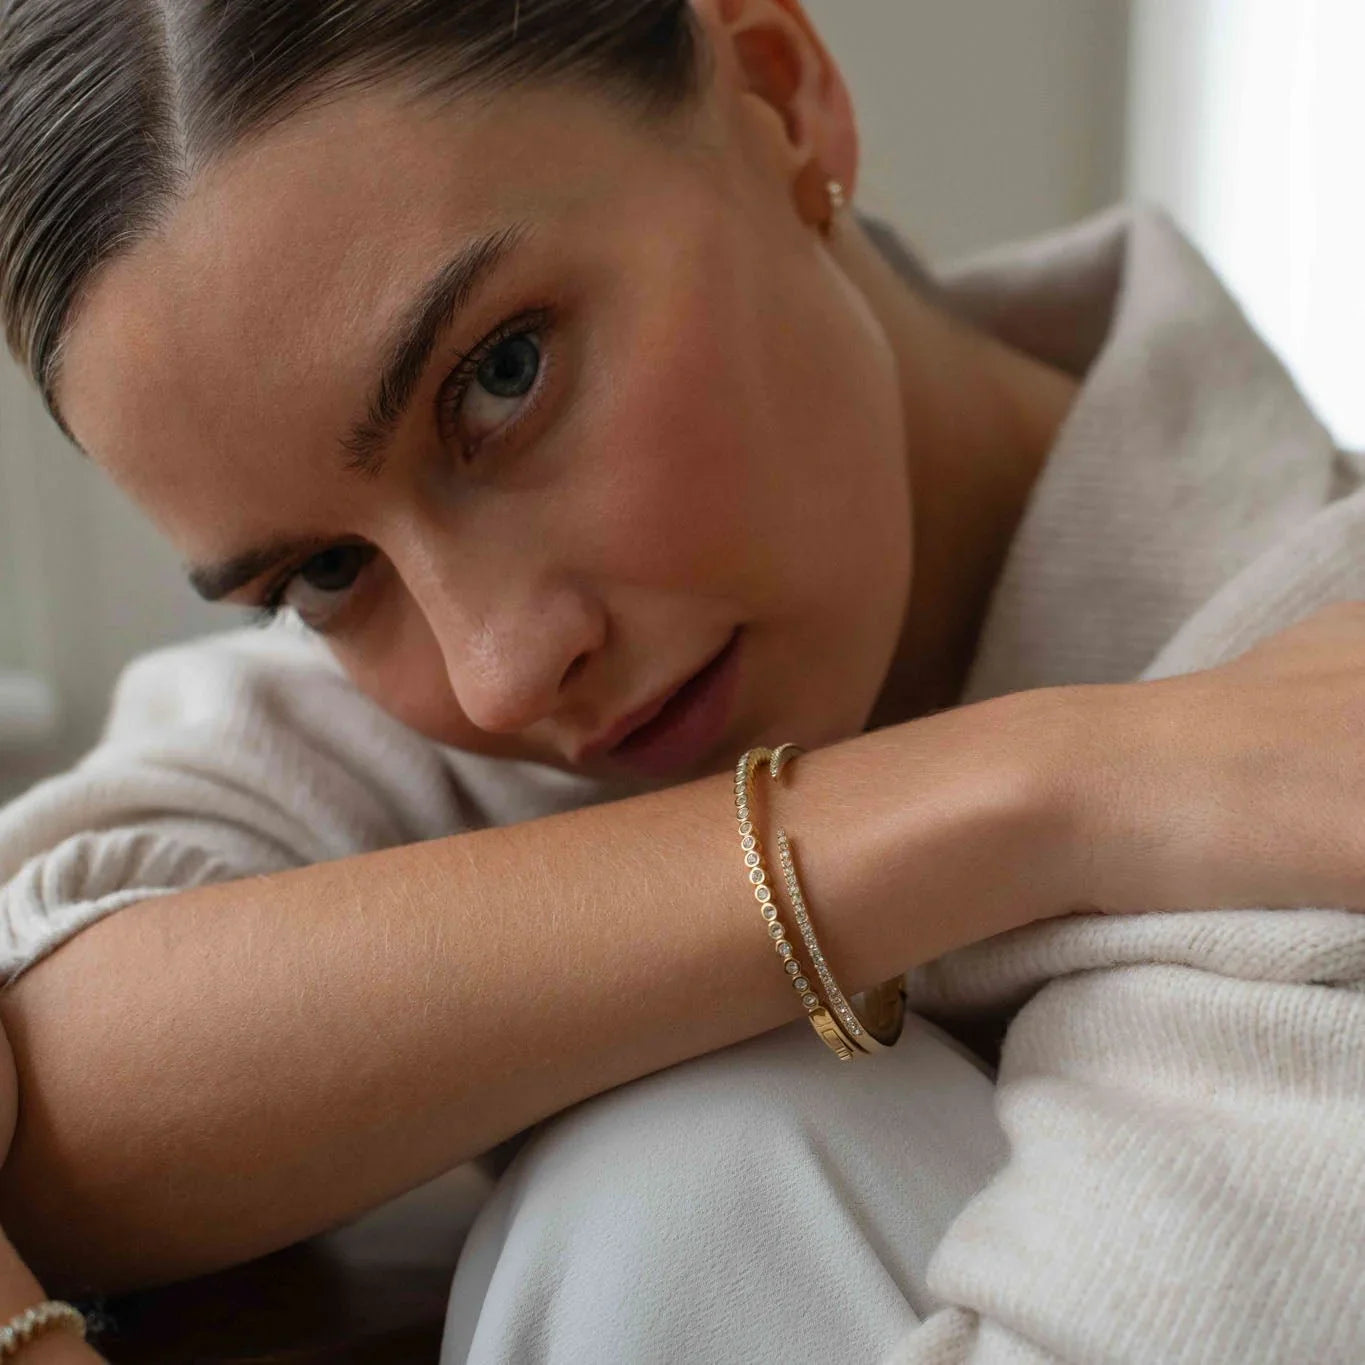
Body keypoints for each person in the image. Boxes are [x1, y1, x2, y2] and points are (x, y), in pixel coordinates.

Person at [1, 1, 1364, 1361]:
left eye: (502, 376)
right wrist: (1045, 791)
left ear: (779, 94)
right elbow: (48, 1032)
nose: (497, 671)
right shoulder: (490, 702)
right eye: (318, 575)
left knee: (695, 1170)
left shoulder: (1316, 694)